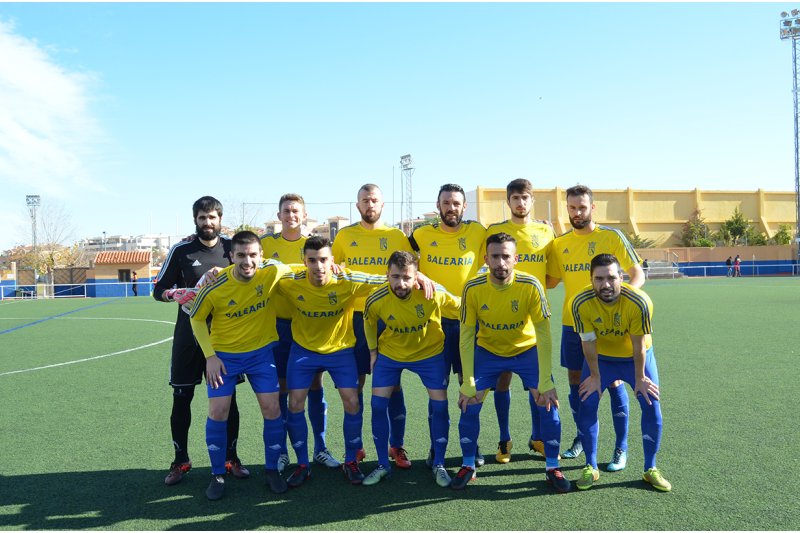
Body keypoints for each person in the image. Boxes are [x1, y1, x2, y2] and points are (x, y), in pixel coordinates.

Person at [452, 233, 570, 493]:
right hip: (488, 351)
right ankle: (468, 465)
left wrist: (546, 379)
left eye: (506, 256)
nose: (501, 263)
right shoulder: (472, 288)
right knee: (469, 403)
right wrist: (468, 381)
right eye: (495, 256)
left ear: (516, 259)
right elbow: (466, 337)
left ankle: (552, 466)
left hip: (526, 350)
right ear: (486, 259)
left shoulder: (530, 285)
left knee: (547, 401)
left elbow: (544, 334)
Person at [546, 184, 645, 471]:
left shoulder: (611, 237)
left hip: (610, 327)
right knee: (579, 385)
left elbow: (637, 274)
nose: (578, 212)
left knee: (612, 382)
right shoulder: (559, 244)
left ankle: (620, 447)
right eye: (572, 208)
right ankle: (581, 438)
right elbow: (550, 280)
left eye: (583, 207)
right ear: (567, 209)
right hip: (572, 325)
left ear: (593, 208)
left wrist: (622, 304)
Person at [277, 236, 389, 487]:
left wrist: (421, 278)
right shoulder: (289, 280)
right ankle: (303, 464)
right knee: (294, 403)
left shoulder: (348, 280)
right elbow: (259, 269)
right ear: (303, 261)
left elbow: (389, 278)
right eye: (312, 260)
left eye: (324, 260)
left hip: (340, 351)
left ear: (333, 261)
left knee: (352, 400)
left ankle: (350, 461)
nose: (318, 266)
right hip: (303, 351)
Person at [153, 196, 249, 486]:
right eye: (202, 218)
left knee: (227, 399)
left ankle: (231, 457)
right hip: (188, 335)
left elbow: (255, 269)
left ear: (221, 219)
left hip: (225, 335)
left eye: (213, 217)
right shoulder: (181, 250)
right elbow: (158, 289)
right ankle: (180, 460)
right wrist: (174, 293)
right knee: (182, 397)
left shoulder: (233, 248)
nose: (208, 223)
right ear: (195, 219)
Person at [189, 231, 292, 499]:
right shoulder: (215, 283)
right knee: (218, 411)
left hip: (260, 354)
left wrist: (333, 266)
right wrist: (210, 356)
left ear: (261, 256)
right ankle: (217, 474)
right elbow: (197, 319)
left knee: (272, 408)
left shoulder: (271, 271)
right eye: (242, 255)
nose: (248, 261)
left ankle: (272, 470)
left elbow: (305, 268)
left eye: (253, 255)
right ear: (231, 257)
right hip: (225, 357)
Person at [332, 184, 416, 468]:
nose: (370, 205)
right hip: (355, 318)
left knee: (392, 384)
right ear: (357, 206)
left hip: (389, 318)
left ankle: (397, 446)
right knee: (355, 385)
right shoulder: (344, 236)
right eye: (365, 200)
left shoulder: (396, 236)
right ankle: (356, 447)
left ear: (383, 204)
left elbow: (411, 272)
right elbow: (333, 271)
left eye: (375, 200)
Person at [571, 253, 670, 492]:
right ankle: (590, 466)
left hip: (635, 358)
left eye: (611, 278)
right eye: (599, 278)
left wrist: (639, 379)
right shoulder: (580, 302)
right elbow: (588, 343)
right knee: (587, 401)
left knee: (650, 402)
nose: (606, 284)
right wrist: (594, 376)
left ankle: (650, 468)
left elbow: (638, 345)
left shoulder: (639, 301)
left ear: (621, 277)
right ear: (591, 279)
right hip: (602, 360)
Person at [360, 251, 460, 487]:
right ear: (387, 275)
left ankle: (439, 464)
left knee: (440, 406)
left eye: (406, 277)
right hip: (391, 354)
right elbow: (369, 321)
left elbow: (462, 306)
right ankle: (383, 464)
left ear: (417, 277)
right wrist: (373, 352)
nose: (400, 283)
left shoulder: (432, 293)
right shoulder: (376, 299)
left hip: (430, 354)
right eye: (395, 277)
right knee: (377, 405)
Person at [409, 183, 487, 467]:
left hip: (469, 324)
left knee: (470, 388)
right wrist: (418, 274)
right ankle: (436, 446)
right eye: (446, 203)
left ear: (464, 207)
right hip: (435, 325)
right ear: (438, 205)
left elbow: (510, 239)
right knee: (437, 391)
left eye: (456, 203)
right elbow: (402, 261)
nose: (451, 208)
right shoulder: (420, 235)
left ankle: (471, 444)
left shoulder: (478, 232)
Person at [262, 193, 338, 473]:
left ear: (304, 215)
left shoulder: (315, 246)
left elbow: (332, 272)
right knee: (282, 389)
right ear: (279, 215)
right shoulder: (266, 244)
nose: (291, 215)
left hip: (308, 325)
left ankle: (320, 448)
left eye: (296, 211)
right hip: (278, 326)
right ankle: (282, 451)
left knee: (315, 386)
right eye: (286, 211)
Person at [485, 178, 556, 464]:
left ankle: (537, 437)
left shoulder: (545, 232)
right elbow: (485, 267)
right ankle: (504, 439)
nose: (521, 203)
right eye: (515, 198)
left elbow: (552, 277)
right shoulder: (494, 232)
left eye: (525, 198)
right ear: (508, 201)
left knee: (536, 384)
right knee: (502, 381)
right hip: (500, 319)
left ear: (532, 200)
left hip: (535, 319)